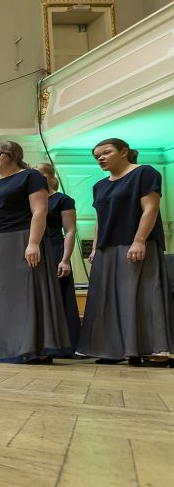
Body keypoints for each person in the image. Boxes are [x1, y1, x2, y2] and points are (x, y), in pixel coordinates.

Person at [78, 138, 172, 364]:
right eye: (97, 155)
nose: (100, 157)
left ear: (124, 152)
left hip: (136, 244)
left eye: (106, 152)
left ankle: (149, 348)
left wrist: (139, 240)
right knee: (106, 299)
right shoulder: (99, 186)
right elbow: (100, 219)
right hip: (106, 249)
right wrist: (96, 247)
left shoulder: (144, 173)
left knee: (140, 296)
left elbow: (150, 208)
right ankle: (113, 349)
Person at [0, 141, 71, 363]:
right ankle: (7, 345)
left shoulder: (31, 176)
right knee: (3, 296)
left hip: (21, 237)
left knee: (28, 293)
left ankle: (33, 345)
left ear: (13, 155)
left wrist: (33, 243)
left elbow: (39, 211)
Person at [37, 163, 81, 351]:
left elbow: (70, 230)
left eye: (39, 174)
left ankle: (66, 344)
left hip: (55, 249)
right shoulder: (32, 200)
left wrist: (65, 259)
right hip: (37, 251)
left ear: (49, 177)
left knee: (60, 295)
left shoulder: (63, 199)